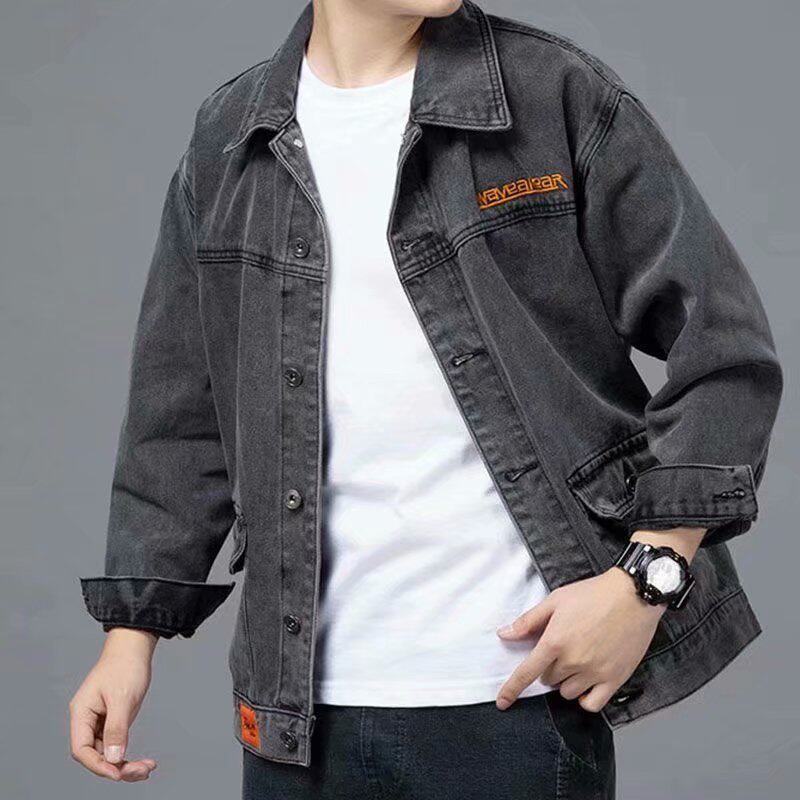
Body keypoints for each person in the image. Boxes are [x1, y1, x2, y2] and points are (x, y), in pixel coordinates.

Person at [68, 1, 782, 798]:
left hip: (516, 702)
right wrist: (129, 636)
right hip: (297, 715)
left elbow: (724, 349)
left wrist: (647, 579)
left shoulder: (552, 93)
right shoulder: (231, 136)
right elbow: (180, 413)